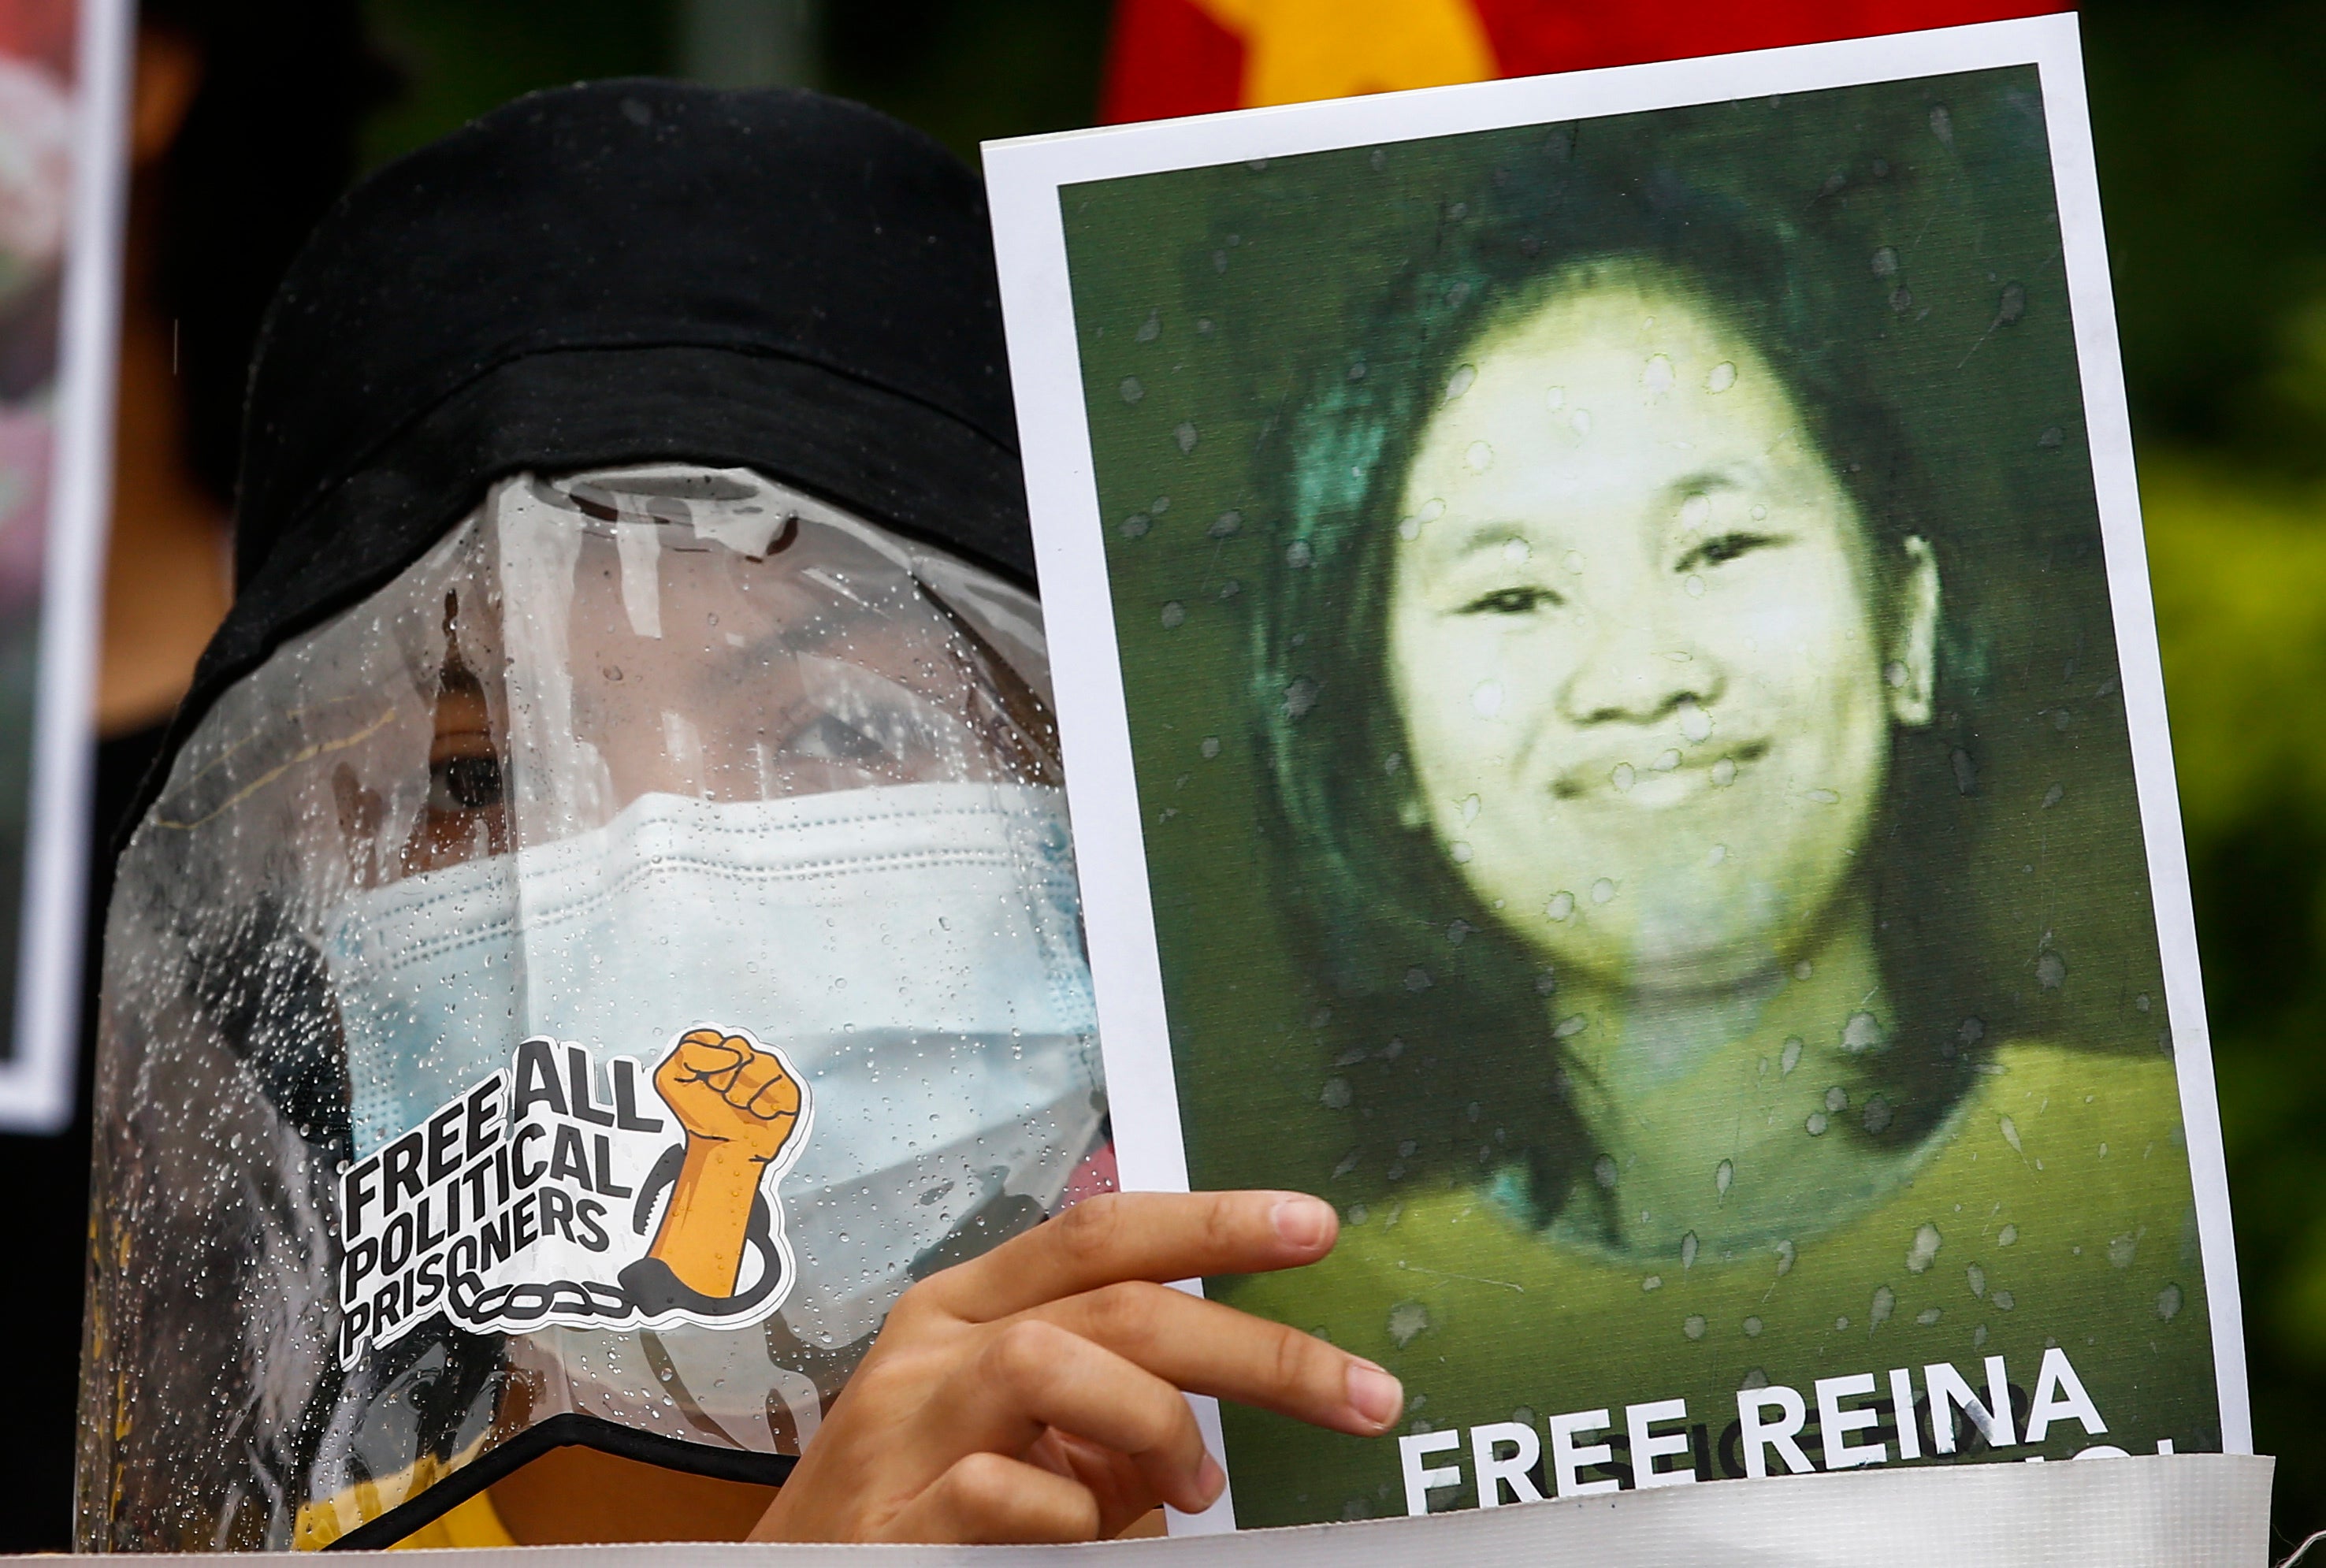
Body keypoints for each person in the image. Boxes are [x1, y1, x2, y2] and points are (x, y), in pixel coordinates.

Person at [78, 80, 1397, 1551]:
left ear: (1086, 778)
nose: (665, 874)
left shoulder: (1389, 1459)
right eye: (478, 778)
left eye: (841, 727)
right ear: (312, 870)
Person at [1220, 158, 2208, 1518]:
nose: (1642, 674)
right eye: (1512, 592)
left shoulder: (2190, 1199)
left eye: (1723, 545)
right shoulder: (1270, 1387)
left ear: (1905, 624)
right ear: (1384, 740)